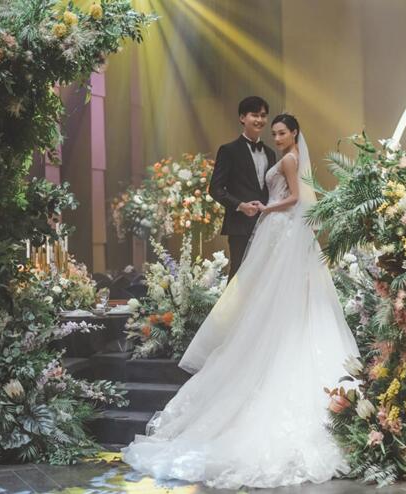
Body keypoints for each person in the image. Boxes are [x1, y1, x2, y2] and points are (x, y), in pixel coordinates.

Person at [122, 114, 359, 489]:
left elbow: (295, 198)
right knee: (266, 294)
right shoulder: (285, 156)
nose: (276, 137)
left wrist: (266, 208)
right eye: (274, 132)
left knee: (271, 294)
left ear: (294, 133)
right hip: (279, 230)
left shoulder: (290, 159)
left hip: (280, 226)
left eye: (281, 132)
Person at [209, 96, 277, 279]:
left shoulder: (270, 153)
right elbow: (215, 188)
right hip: (239, 224)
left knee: (265, 275)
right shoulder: (228, 150)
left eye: (263, 115)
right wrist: (240, 205)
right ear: (242, 118)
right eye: (254, 115)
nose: (260, 120)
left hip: (266, 224)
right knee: (239, 273)